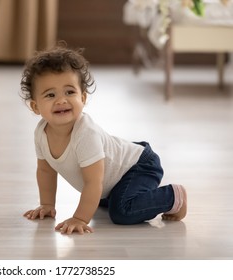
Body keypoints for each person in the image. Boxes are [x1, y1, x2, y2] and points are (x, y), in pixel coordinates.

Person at [20, 44, 187, 235]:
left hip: (139, 166)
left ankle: (173, 196)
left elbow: (93, 183)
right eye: (50, 95)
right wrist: (47, 204)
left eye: (69, 92)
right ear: (35, 106)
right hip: (112, 179)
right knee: (102, 201)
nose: (61, 100)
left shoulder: (85, 134)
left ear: (82, 98)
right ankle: (118, 196)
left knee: (121, 212)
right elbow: (45, 170)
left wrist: (80, 218)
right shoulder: (41, 133)